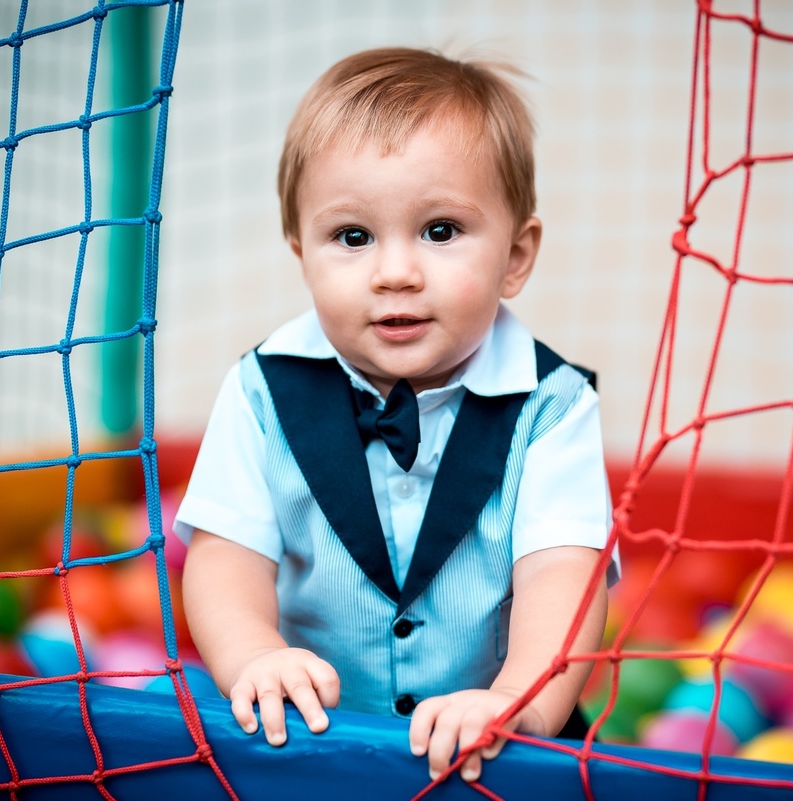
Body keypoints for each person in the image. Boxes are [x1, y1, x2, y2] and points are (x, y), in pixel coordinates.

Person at [175, 46, 615, 784]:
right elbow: (225, 557)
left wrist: (519, 700)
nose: (396, 272)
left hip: (500, 753)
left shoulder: (555, 404)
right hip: (310, 737)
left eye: (441, 230)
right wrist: (255, 653)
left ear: (516, 254)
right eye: (353, 237)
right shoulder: (260, 390)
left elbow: (565, 575)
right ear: (302, 255)